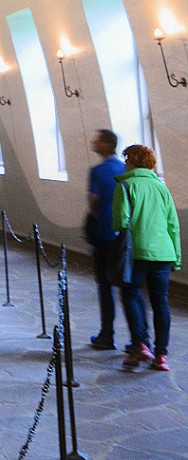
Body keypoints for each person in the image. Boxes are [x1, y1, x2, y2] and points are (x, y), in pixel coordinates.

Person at [114, 144, 180, 371]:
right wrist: (177, 258)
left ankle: (140, 344)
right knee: (160, 301)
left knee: (130, 294)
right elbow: (173, 225)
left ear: (132, 161)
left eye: (126, 159)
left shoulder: (124, 184)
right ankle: (161, 355)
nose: (124, 163)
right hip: (164, 253)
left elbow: (121, 222)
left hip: (138, 252)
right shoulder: (161, 187)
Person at [87, 129, 126, 349]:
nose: (94, 142)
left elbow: (94, 201)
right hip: (123, 236)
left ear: (105, 144)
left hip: (103, 234)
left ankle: (107, 334)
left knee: (104, 285)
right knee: (129, 288)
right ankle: (140, 341)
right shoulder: (125, 170)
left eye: (97, 139)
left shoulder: (97, 171)